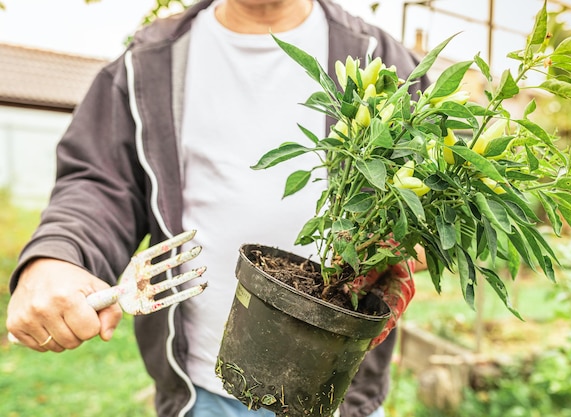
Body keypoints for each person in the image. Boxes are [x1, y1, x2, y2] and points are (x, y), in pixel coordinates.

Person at [6, 0, 429, 416]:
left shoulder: (382, 60)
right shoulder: (150, 61)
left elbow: (437, 185)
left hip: (338, 391)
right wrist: (56, 255)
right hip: (201, 392)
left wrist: (417, 236)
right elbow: (98, 182)